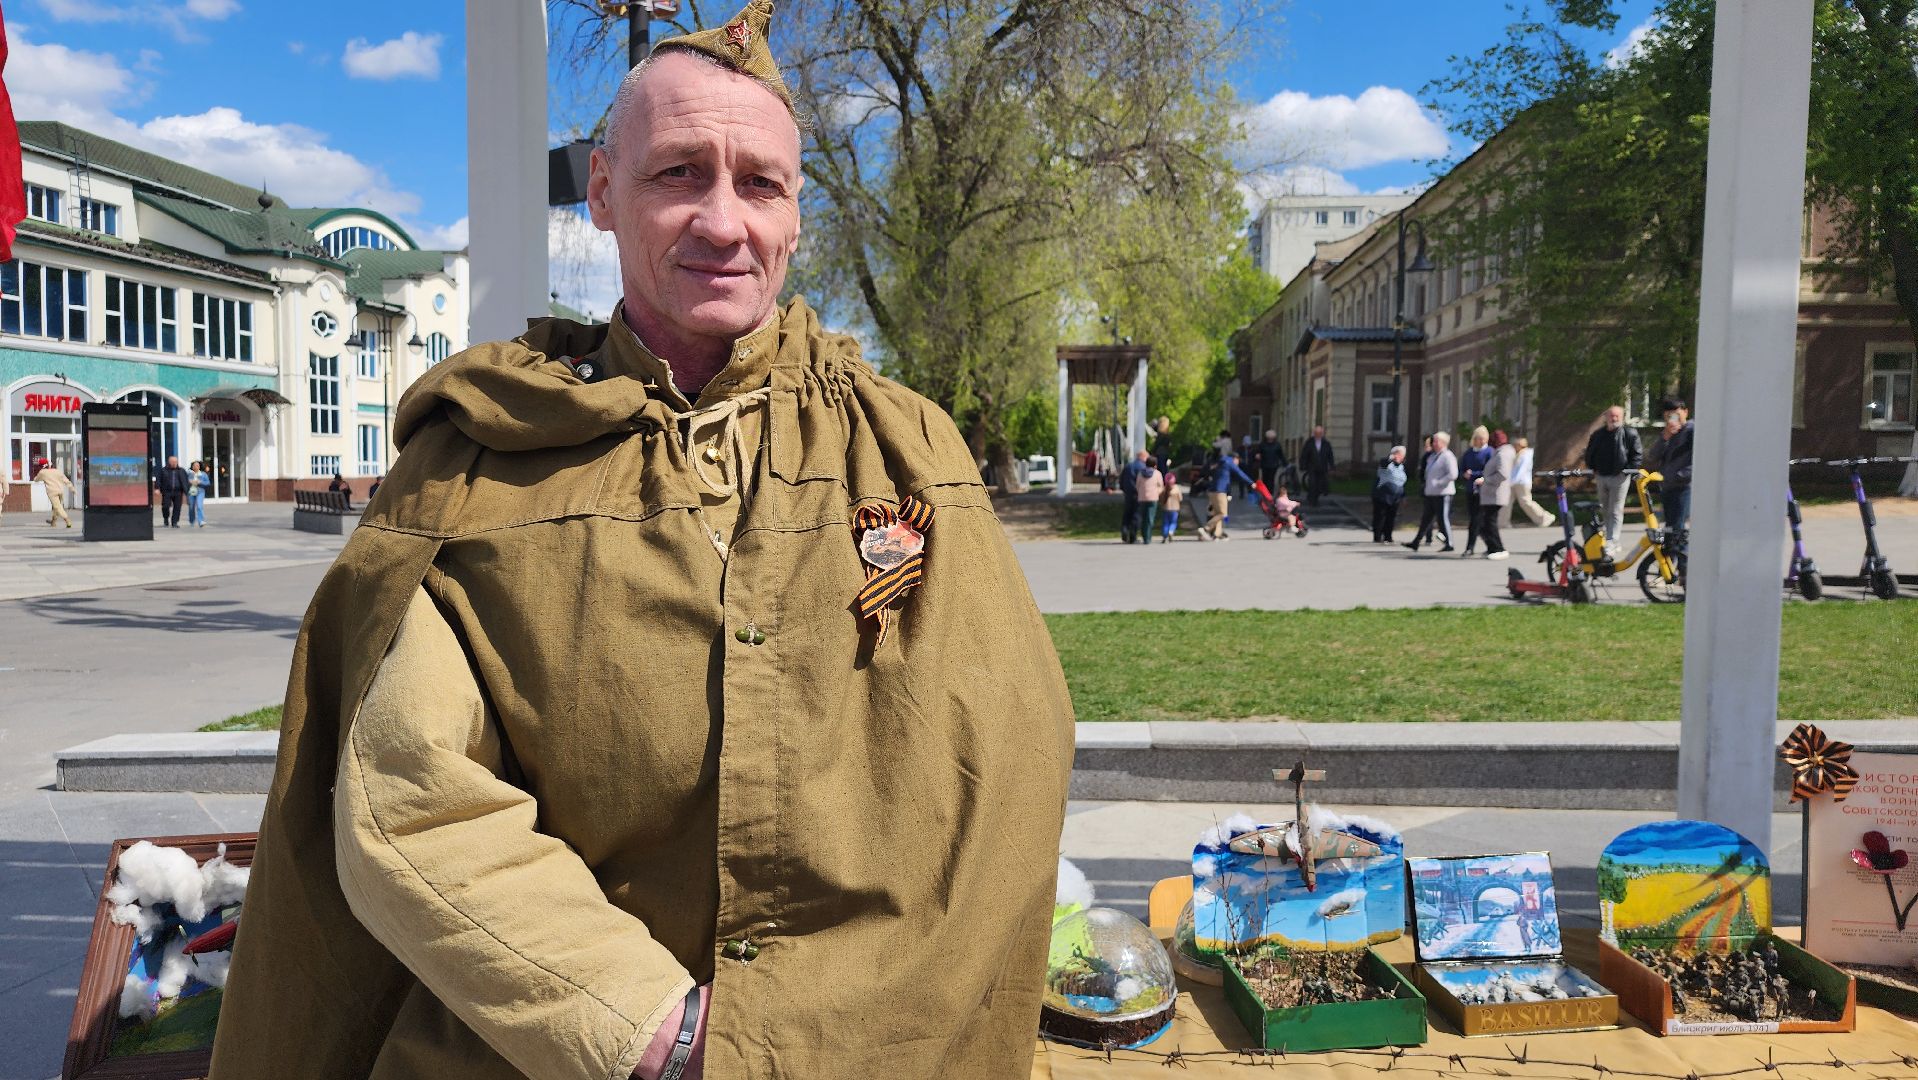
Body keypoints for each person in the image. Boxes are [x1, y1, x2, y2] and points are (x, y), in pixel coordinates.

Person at [208, 8, 1074, 1079]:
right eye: (678, 174)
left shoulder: (909, 451)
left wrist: (820, 1037)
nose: (724, 222)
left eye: (760, 183)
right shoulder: (482, 460)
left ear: (796, 216)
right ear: (604, 197)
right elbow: (405, 791)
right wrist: (653, 1034)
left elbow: (1009, 772)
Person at [1582, 405, 1641, 558]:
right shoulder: (1598, 434)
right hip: (1601, 476)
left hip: (1619, 477)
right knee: (1605, 508)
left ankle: (1612, 540)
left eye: (1617, 416)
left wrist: (1628, 470)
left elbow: (1637, 454)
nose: (1614, 419)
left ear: (1622, 417)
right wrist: (1592, 467)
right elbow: (1590, 452)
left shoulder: (1629, 433)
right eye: (1611, 416)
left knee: (1616, 509)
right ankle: (1608, 537)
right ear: (1606, 417)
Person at [1403, 431, 1456, 552]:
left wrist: (1439, 482)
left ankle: (1450, 543)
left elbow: (1453, 474)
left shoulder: (1448, 456)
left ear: (1443, 443)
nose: (1434, 443)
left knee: (1443, 519)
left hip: (1443, 493)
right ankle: (1416, 542)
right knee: (1426, 519)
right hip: (1431, 493)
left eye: (1436, 441)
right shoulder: (1432, 456)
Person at [1648, 398, 1695, 533]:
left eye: (1676, 414)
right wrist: (1665, 437)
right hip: (1667, 486)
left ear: (1685, 412)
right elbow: (1653, 456)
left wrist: (1679, 476)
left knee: (1677, 527)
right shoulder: (1668, 433)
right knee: (1669, 527)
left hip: (1684, 486)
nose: (1673, 419)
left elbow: (1697, 460)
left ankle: (1679, 553)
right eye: (1669, 416)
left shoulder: (1692, 431)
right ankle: (1670, 553)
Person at [1475, 430, 1515, 560]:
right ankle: (1492, 547)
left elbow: (1503, 474)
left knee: (1490, 522)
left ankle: (1499, 548)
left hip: (1495, 494)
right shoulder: (1500, 452)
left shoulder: (1502, 454)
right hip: (1492, 494)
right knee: (1486, 522)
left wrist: (1487, 480)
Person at [1199, 451, 1256, 540]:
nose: (1238, 463)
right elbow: (1239, 473)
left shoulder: (1219, 462)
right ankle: (1206, 528)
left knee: (1217, 513)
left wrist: (1229, 493)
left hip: (1212, 490)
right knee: (1222, 514)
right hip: (1220, 491)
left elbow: (1224, 479)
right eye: (1238, 461)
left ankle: (1217, 534)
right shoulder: (1229, 462)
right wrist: (1250, 482)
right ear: (1234, 459)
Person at [1501, 436, 1554, 530]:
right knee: (1506, 502)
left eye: (1516, 445)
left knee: (1525, 502)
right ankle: (1502, 522)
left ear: (1521, 445)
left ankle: (1545, 518)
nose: (1514, 447)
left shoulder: (1526, 454)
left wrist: (1511, 481)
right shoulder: (1516, 454)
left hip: (1522, 483)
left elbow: (1521, 470)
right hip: (1512, 482)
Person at [1456, 426, 1492, 555]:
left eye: (1484, 439)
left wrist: (1474, 474)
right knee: (1475, 519)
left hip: (1484, 490)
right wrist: (1464, 474)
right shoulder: (1469, 453)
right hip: (1470, 490)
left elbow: (1489, 471)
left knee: (1477, 519)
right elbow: (1461, 469)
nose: (1482, 441)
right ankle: (1489, 544)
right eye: (1479, 439)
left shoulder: (1489, 452)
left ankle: (1471, 547)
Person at [1372, 445, 1407, 543]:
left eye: (1403, 455)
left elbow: (1401, 483)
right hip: (1382, 495)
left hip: (1395, 497)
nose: (1402, 457)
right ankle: (1377, 536)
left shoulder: (1401, 467)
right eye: (1400, 455)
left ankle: (1388, 536)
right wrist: (1391, 458)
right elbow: (1383, 462)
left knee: (1391, 517)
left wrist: (1404, 496)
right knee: (1380, 516)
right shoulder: (1386, 464)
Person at [1117, 449, 1151, 543]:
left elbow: (1121, 479)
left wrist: (1124, 489)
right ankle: (1133, 536)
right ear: (1143, 457)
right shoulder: (1143, 467)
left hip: (1128, 493)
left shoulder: (1128, 466)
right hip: (1138, 494)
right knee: (1137, 515)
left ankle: (1124, 531)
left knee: (1127, 514)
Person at [1299, 425, 1334, 506]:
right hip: (1312, 467)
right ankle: (1312, 501)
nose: (1318, 434)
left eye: (1320, 433)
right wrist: (1303, 465)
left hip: (1322, 467)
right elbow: (1304, 455)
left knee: (1319, 485)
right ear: (1314, 433)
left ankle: (1315, 498)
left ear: (1322, 434)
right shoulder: (1309, 442)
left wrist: (1332, 466)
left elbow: (1330, 455)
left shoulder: (1326, 443)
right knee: (1312, 483)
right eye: (1317, 433)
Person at [34, 458, 74, 529]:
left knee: (57, 507)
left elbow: (36, 480)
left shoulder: (42, 472)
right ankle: (53, 522)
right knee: (57, 507)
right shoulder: (57, 471)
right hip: (60, 491)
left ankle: (67, 521)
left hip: (52, 492)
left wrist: (37, 478)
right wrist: (72, 488)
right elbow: (66, 480)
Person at [155, 454, 190, 528]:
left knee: (177, 507)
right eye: (173, 462)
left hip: (178, 491)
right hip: (167, 491)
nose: (174, 463)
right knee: (165, 506)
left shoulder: (181, 470)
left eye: (176, 462)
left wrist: (187, 491)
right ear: (169, 462)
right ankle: (166, 519)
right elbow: (158, 480)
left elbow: (185, 481)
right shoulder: (163, 470)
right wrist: (157, 488)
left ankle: (175, 522)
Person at [1134, 456, 1164, 544]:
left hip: (1142, 497)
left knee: (1143, 517)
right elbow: (1161, 486)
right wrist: (1157, 492)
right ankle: (1148, 537)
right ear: (1155, 465)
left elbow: (1137, 485)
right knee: (1150, 518)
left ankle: (1144, 536)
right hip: (1153, 498)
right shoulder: (1157, 474)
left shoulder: (1140, 473)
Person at [1255, 428, 1287, 495]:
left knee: (1271, 479)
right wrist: (1257, 455)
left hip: (1274, 465)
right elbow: (1257, 451)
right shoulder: (1262, 444)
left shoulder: (1277, 445)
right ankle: (1265, 492)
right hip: (1264, 464)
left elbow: (1281, 454)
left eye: (1271, 438)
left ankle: (1270, 493)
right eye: (1269, 438)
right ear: (1267, 437)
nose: (1270, 439)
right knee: (1265, 479)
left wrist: (1285, 463)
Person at [1159, 467, 1182, 542]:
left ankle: (1165, 535)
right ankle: (1171, 531)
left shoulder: (1164, 489)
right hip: (1175, 509)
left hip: (1166, 508)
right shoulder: (1176, 488)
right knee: (1173, 522)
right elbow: (1180, 498)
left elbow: (1161, 498)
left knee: (1165, 523)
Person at [187, 460, 209, 527]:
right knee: (191, 507)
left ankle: (201, 521)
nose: (196, 467)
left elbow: (208, 483)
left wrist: (200, 482)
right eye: (194, 466)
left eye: (197, 465)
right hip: (191, 492)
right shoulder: (189, 474)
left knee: (199, 506)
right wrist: (189, 482)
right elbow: (184, 481)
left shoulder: (203, 474)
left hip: (200, 492)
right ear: (192, 467)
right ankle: (192, 521)